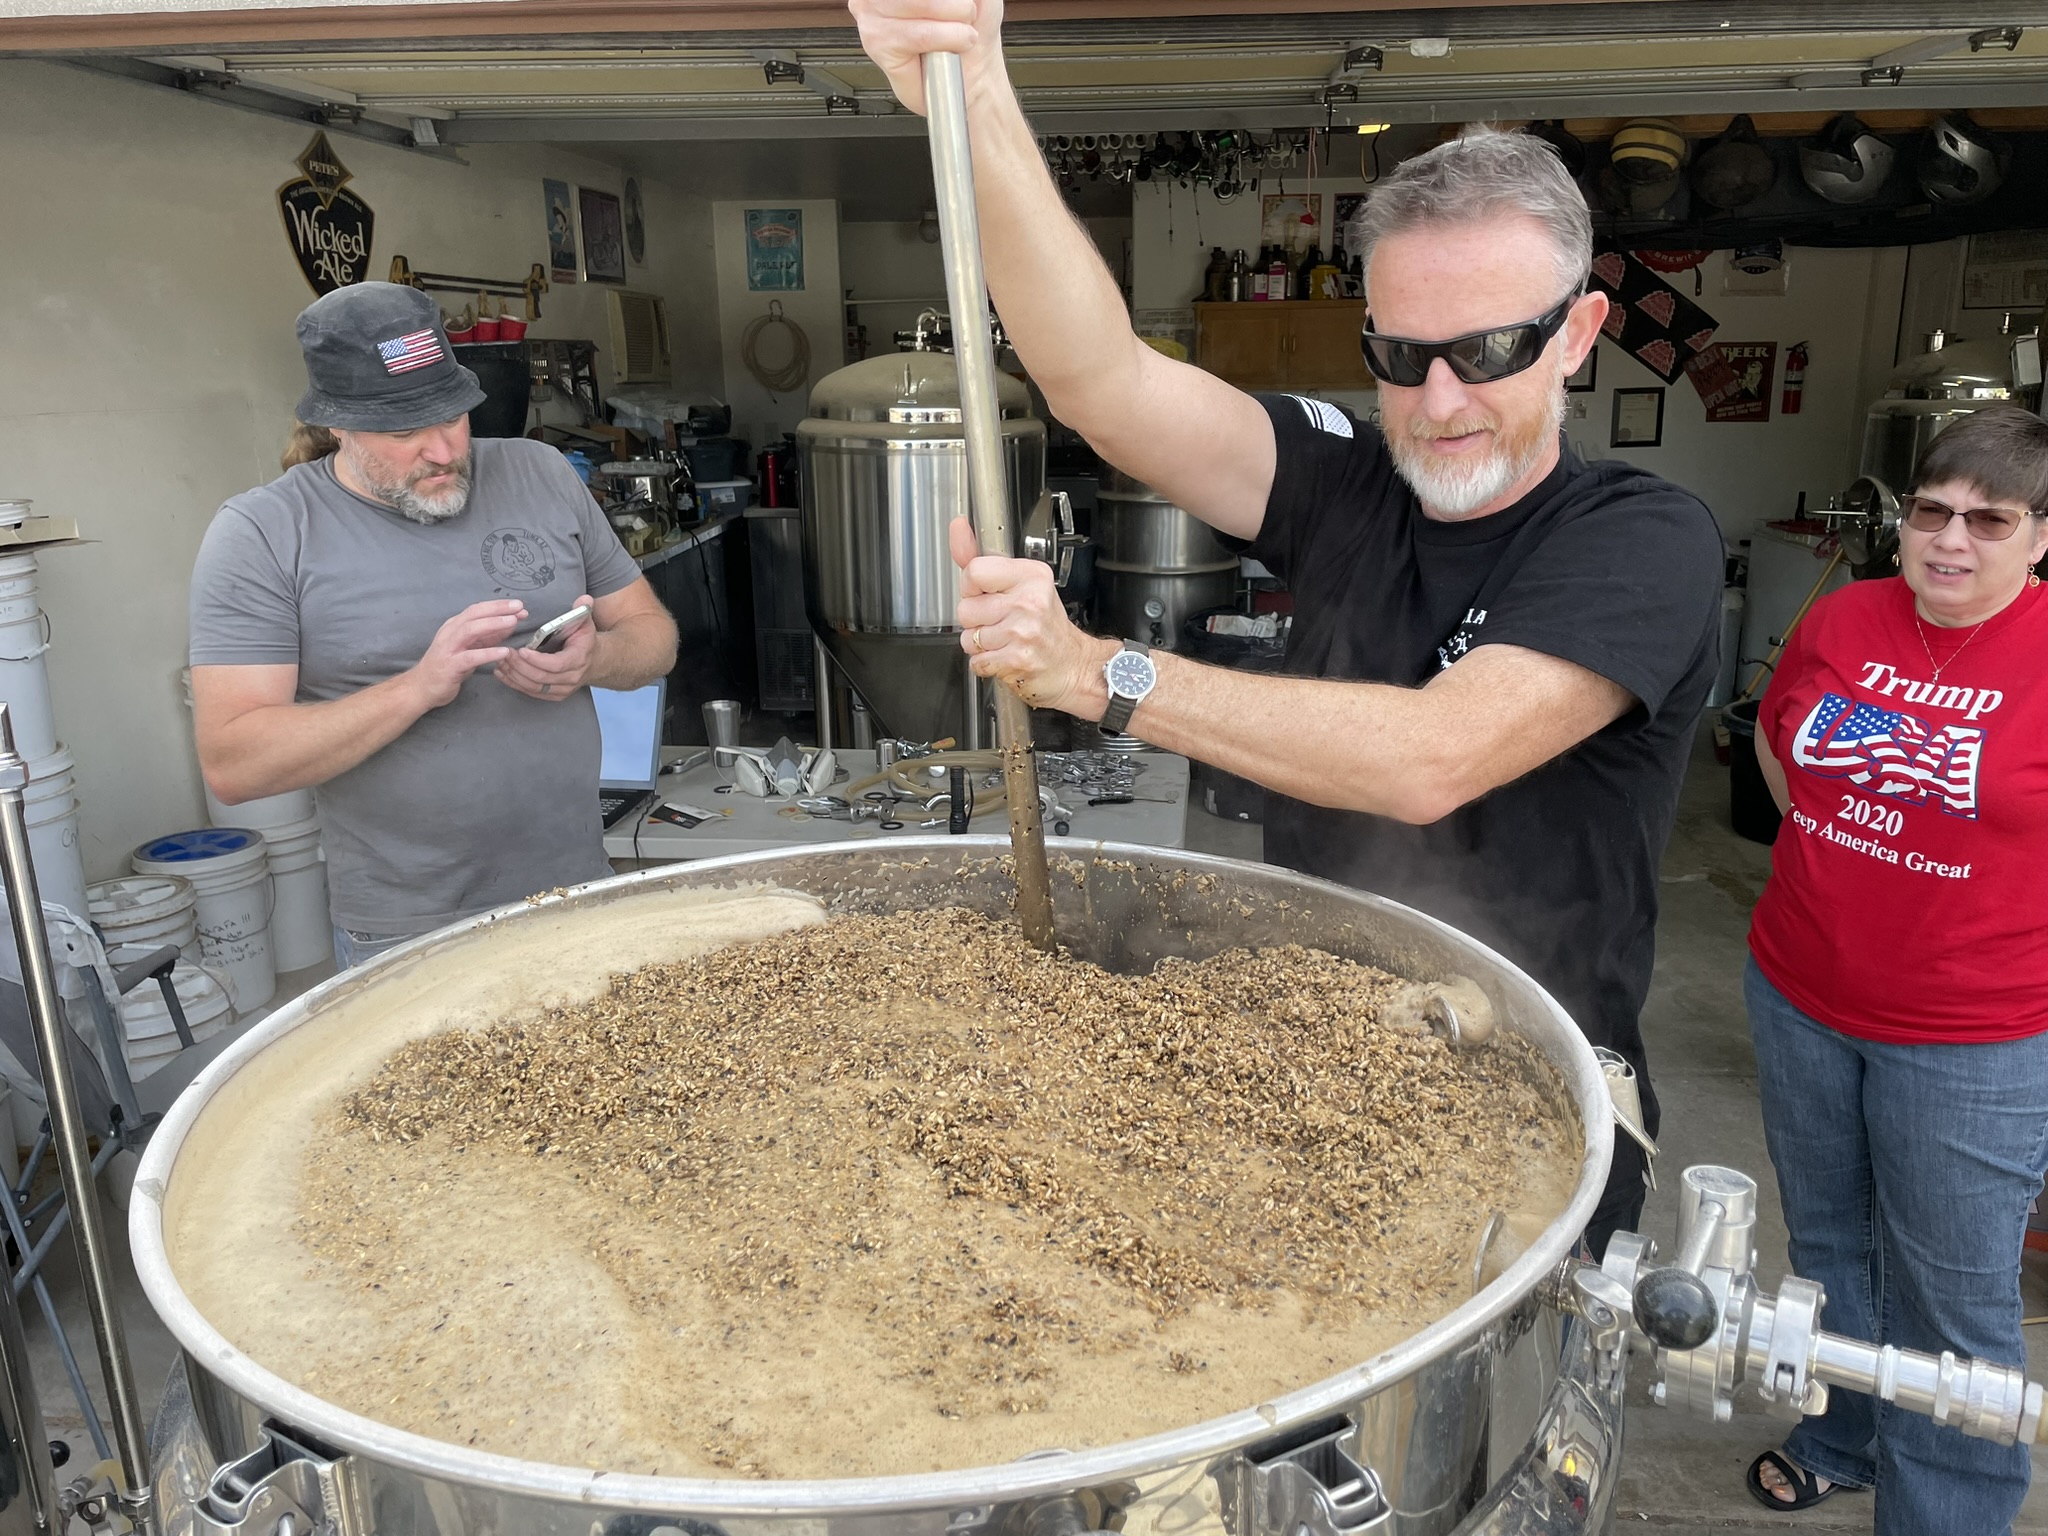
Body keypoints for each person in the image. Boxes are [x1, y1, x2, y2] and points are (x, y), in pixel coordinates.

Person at [850, 0, 1724, 1250]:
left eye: (1486, 350)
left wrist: (1099, 673)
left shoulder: (1641, 538)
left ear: (1576, 334)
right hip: (1305, 1065)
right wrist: (979, 87)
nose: (1438, 401)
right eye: (1399, 353)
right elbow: (1102, 383)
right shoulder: (1347, 482)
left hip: (1520, 1089)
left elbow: (1430, 758)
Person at [1745, 405, 2048, 1533]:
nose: (1950, 539)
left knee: (1953, 1302)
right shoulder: (1845, 616)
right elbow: (1777, 734)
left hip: (1971, 1040)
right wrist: (1829, 851)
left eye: (1989, 519)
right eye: (1931, 511)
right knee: (1828, 1245)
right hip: (1798, 993)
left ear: (2040, 535)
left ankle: (1944, 1513)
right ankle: (1846, 1434)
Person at [188, 282, 678, 968]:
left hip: (576, 891)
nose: (444, 451)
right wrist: (418, 688)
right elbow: (235, 764)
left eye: (453, 417)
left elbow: (654, 636)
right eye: (404, 432)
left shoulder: (539, 472)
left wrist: (593, 660)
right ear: (337, 425)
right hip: (408, 930)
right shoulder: (264, 532)